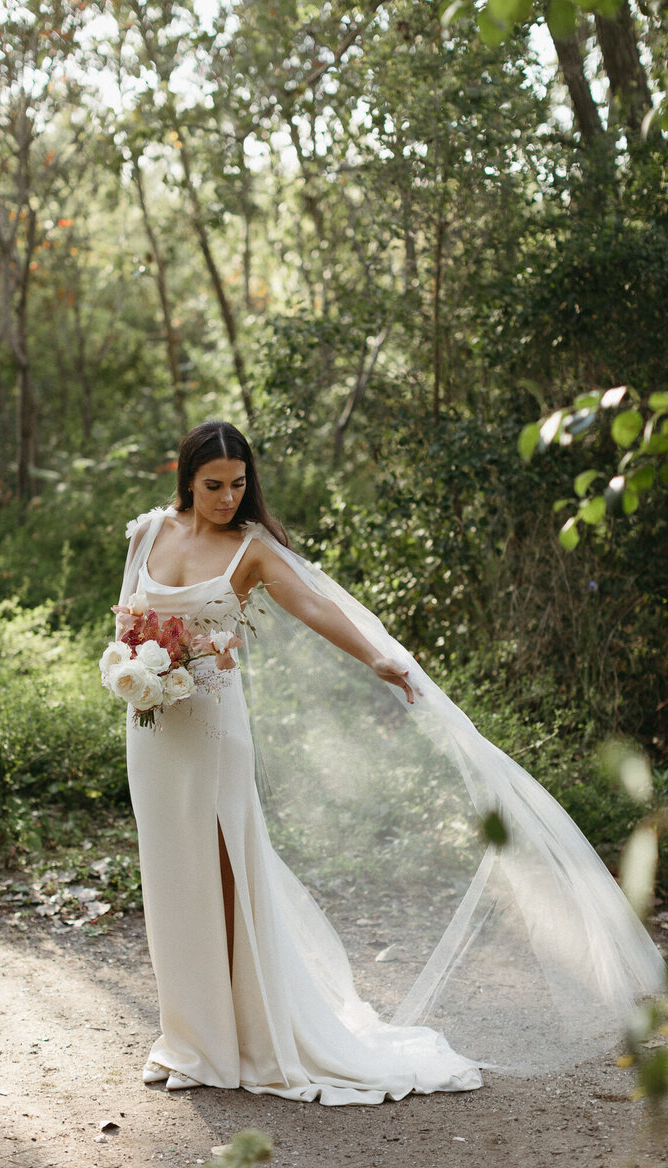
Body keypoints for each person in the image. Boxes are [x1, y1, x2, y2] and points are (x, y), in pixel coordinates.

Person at [116, 420, 664, 1106]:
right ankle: (188, 1037)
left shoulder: (249, 550)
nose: (228, 498)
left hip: (214, 734)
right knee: (171, 877)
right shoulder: (149, 534)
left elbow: (313, 603)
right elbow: (126, 622)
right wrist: (133, 666)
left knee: (221, 874)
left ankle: (234, 1041)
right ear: (186, 481)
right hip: (151, 730)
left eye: (238, 484)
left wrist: (377, 657)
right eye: (213, 486)